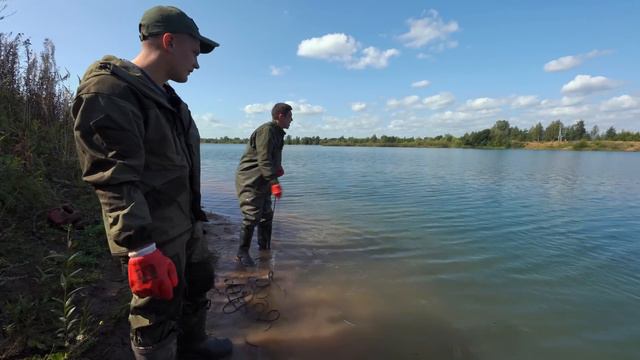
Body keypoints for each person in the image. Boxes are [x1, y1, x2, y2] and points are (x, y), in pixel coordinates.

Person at [71, 6, 232, 359]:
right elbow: (113, 177)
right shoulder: (110, 90)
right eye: (194, 52)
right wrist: (141, 249)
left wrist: (195, 222)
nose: (197, 63)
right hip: (153, 233)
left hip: (185, 223)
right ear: (169, 41)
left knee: (198, 282)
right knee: (155, 310)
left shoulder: (171, 100)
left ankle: (194, 346)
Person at [235, 103, 292, 266]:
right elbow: (263, 158)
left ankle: (264, 249)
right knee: (252, 215)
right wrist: (274, 182)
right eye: (290, 116)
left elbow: (270, 158)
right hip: (250, 178)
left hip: (263, 179)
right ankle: (241, 253)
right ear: (281, 116)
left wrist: (277, 168)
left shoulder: (277, 133)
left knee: (267, 215)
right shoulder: (267, 130)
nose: (292, 120)